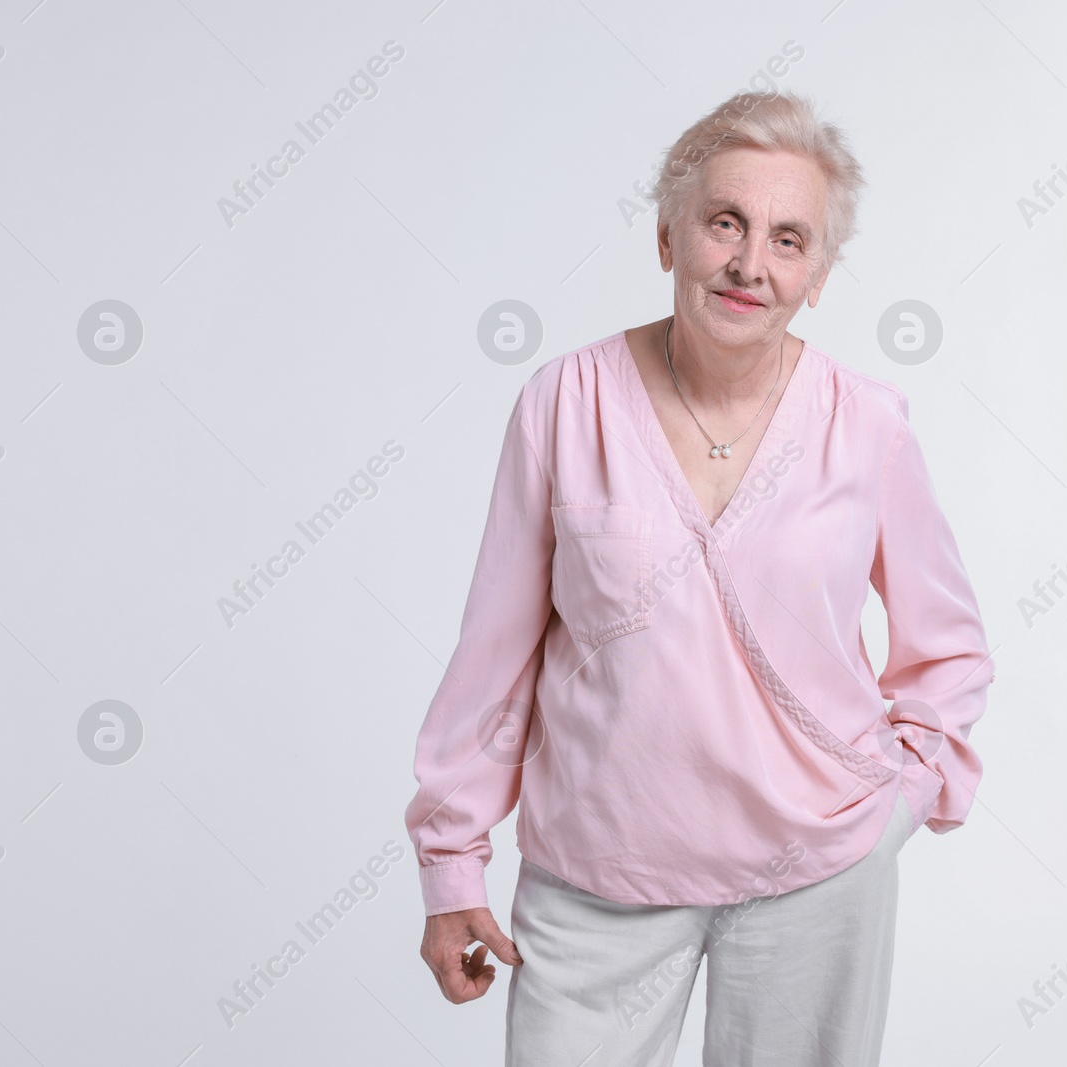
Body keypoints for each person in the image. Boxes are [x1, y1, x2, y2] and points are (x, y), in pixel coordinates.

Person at [405, 88, 995, 1066]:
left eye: (787, 239)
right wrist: (449, 863)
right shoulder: (565, 402)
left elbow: (949, 645)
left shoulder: (869, 422)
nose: (749, 264)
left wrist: (897, 801)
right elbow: (494, 654)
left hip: (818, 870)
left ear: (817, 274)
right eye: (725, 222)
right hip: (596, 870)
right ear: (669, 236)